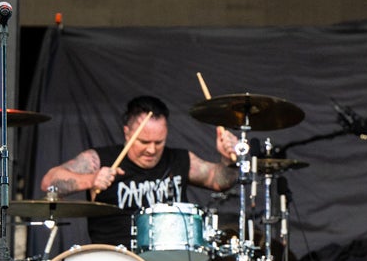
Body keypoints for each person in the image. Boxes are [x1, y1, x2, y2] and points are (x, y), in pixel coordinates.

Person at [40, 95, 240, 248]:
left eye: (159, 142)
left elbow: (219, 180)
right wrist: (92, 179)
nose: (151, 150)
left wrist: (227, 159)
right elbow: (49, 182)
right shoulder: (100, 159)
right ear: (127, 132)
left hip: (170, 260)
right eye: (144, 142)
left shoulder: (180, 159)